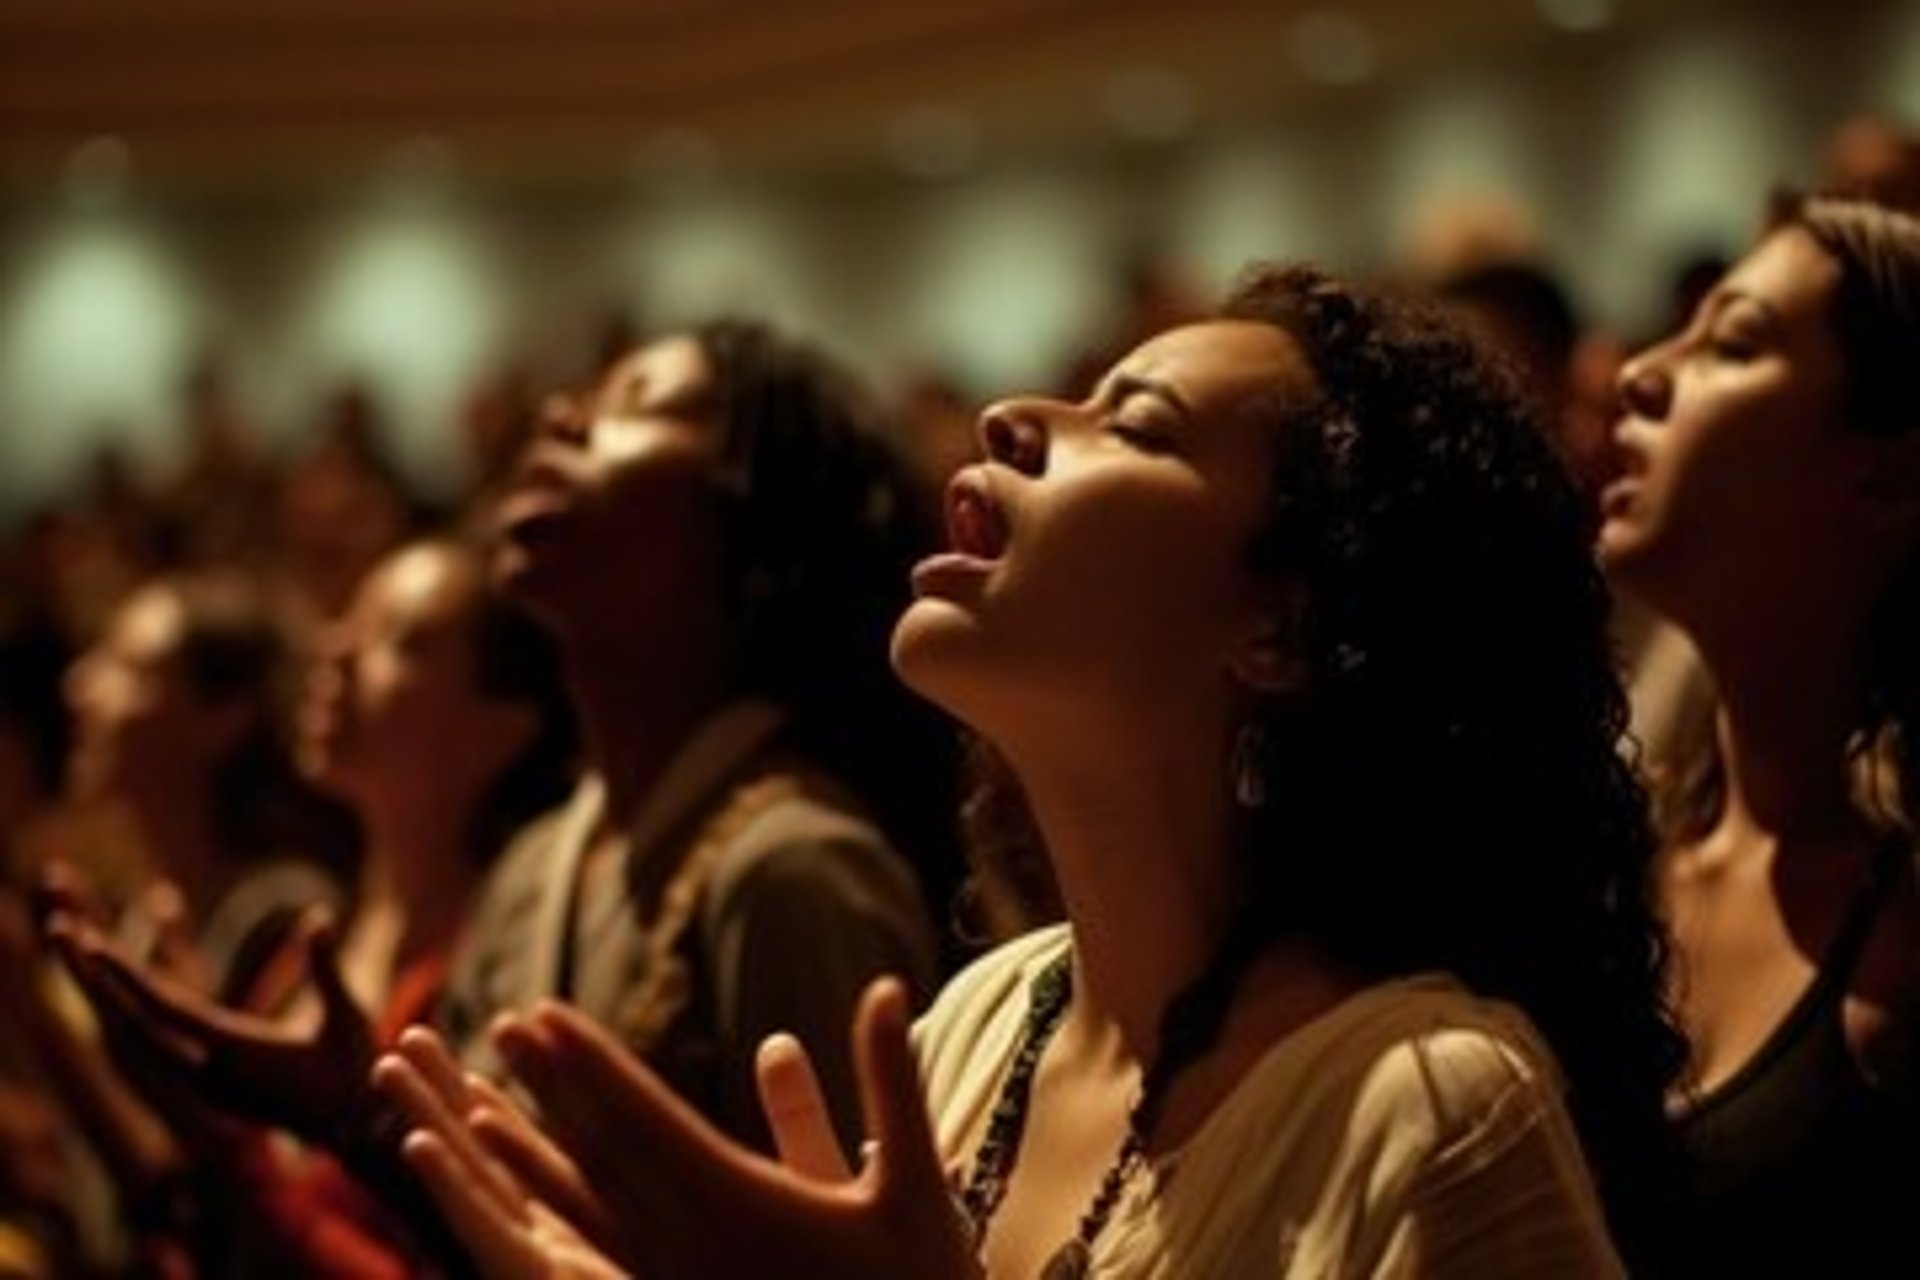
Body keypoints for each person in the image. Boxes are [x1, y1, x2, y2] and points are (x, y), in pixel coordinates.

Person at [377, 263, 1687, 1278]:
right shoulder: (983, 1022)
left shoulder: (1433, 1107)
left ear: (1282, 627)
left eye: (1140, 422)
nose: (1013, 417)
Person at [432, 319, 958, 1157]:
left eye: (635, 402)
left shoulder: (793, 870)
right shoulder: (534, 864)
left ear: (753, 502)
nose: (562, 416)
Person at [48, 536, 577, 1275]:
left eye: (400, 640)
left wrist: (217, 1140)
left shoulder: (492, 977)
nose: (336, 648)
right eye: (348, 624)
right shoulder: (313, 945)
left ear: (505, 728)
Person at [1602, 192, 1920, 1274]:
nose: (1640, 370)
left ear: (1880, 477)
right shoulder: (1607, 864)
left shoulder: (1898, 944)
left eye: (1732, 343)